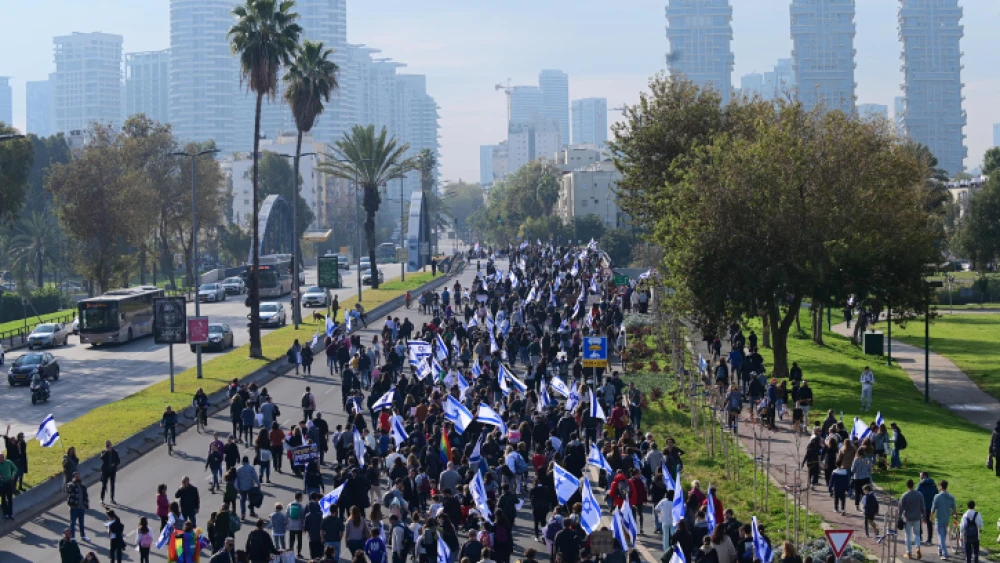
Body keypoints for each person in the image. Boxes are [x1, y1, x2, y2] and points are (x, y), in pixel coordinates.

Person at [898, 479, 926, 559]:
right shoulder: (919, 494)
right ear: (913, 485)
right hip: (917, 517)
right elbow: (922, 506)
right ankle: (917, 547)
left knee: (908, 535)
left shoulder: (905, 495)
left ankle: (908, 552)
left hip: (908, 518)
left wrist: (899, 516)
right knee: (917, 534)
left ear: (907, 486)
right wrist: (924, 516)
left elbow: (901, 507)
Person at [931, 480, 957, 560]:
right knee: (943, 536)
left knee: (941, 537)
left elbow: (933, 508)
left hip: (939, 519)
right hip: (946, 519)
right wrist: (955, 516)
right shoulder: (951, 497)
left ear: (941, 486)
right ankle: (940, 550)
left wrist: (931, 516)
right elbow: (954, 509)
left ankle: (945, 554)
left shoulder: (937, 497)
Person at [65, 472, 90, 540]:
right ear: (73, 477)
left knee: (81, 523)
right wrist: (73, 482)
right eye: (76, 476)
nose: (78, 477)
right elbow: (68, 490)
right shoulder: (71, 485)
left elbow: (85, 496)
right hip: (74, 507)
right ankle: (72, 537)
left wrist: (86, 505)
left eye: (78, 476)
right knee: (72, 523)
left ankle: (83, 536)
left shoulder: (83, 485)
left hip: (81, 507)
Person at [99, 440, 121, 505]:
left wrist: (114, 464)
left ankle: (112, 499)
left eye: (109, 445)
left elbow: (118, 461)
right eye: (106, 445)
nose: (108, 446)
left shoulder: (115, 452)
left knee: (112, 485)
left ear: (111, 445)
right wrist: (106, 451)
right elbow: (101, 458)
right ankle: (102, 499)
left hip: (112, 471)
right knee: (104, 485)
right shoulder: (104, 452)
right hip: (105, 471)